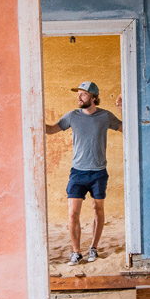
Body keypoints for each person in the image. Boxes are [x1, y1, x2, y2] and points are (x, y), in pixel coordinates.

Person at [46, 80, 123, 264]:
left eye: (83, 94)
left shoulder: (105, 116)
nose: (79, 97)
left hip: (98, 172)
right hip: (77, 173)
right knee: (73, 213)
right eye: (78, 94)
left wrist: (121, 108)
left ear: (94, 97)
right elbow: (51, 130)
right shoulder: (72, 116)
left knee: (98, 210)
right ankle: (76, 252)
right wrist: (35, 113)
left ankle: (93, 249)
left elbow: (126, 128)